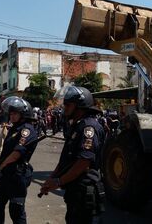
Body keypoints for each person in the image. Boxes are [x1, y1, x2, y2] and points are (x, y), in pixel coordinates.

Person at [40, 86, 106, 224]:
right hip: (75, 191)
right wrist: (52, 178)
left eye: (68, 105)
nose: (65, 108)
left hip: (84, 191)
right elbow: (66, 160)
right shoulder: (77, 125)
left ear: (79, 106)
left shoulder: (89, 127)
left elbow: (84, 162)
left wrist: (58, 182)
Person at [0, 97, 38, 224]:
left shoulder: (26, 130)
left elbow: (16, 153)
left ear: (23, 114)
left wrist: (1, 165)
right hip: (7, 174)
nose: (11, 116)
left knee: (16, 210)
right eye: (10, 113)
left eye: (15, 113)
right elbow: (6, 151)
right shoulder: (15, 128)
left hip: (18, 175)